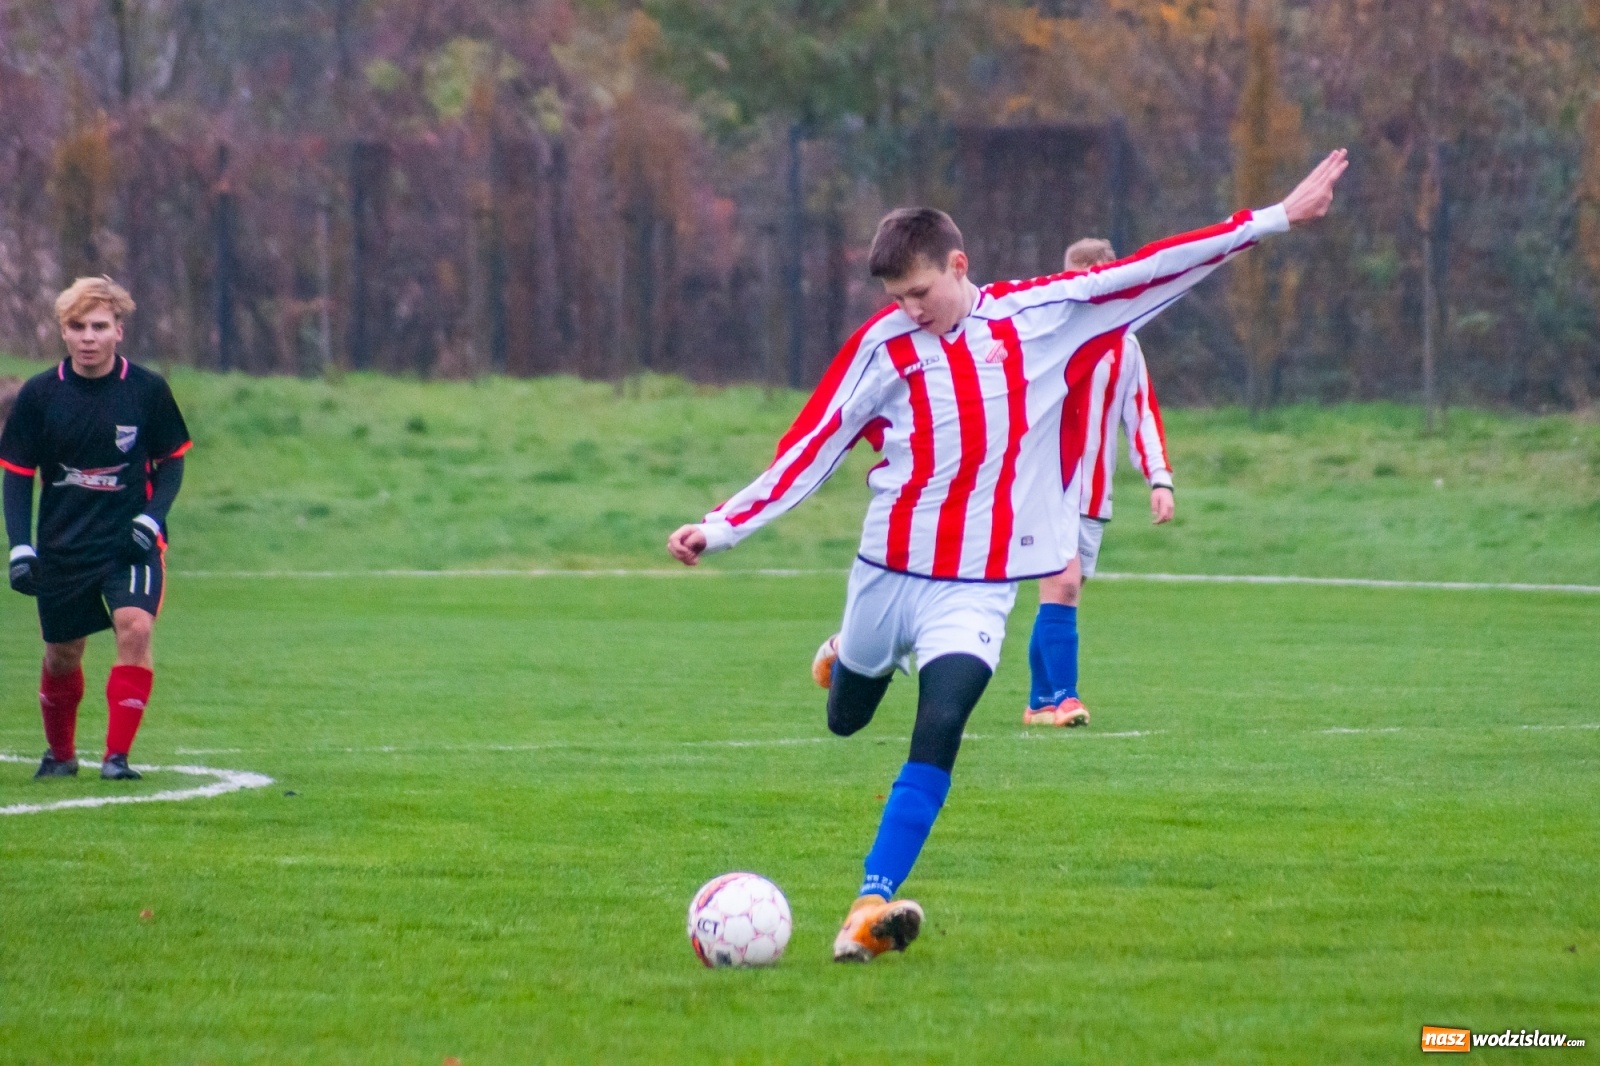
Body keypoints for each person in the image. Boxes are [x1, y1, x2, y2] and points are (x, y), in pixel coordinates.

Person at [667, 150, 1348, 961]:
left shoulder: (1041, 316)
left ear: (959, 266)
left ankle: (868, 908)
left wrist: (1274, 218)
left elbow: (1156, 268)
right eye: (896, 298)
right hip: (888, 571)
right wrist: (723, 525)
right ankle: (850, 654)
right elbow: (810, 446)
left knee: (943, 720)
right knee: (847, 720)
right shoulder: (881, 351)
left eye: (920, 292)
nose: (910, 310)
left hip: (979, 585)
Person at [2, 277, 192, 781]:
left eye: (99, 326)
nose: (88, 337)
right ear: (63, 333)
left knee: (136, 626)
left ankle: (117, 758)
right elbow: (18, 478)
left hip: (128, 542)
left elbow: (172, 463)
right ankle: (60, 755)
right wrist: (20, 546)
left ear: (119, 332)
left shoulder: (147, 390)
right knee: (63, 654)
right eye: (77, 326)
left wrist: (151, 520)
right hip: (63, 545)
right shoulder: (40, 395)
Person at [1023, 237, 1175, 729]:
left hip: (1093, 494)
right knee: (1064, 585)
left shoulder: (1126, 344)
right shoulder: (1045, 333)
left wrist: (1159, 478)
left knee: (1064, 593)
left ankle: (1039, 701)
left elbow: (1142, 413)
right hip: (1047, 487)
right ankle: (1067, 697)